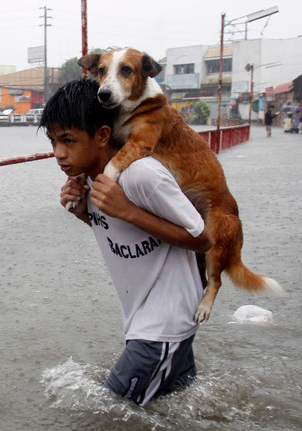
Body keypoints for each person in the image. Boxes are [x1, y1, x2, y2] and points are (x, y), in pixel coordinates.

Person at [39, 79, 212, 406]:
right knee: (179, 412)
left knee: (110, 419)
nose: (59, 153)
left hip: (162, 324)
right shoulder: (91, 178)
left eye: (68, 140)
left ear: (102, 135)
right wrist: (81, 212)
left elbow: (202, 238)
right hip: (150, 320)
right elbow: (119, 231)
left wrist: (128, 210)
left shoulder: (142, 174)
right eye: (53, 141)